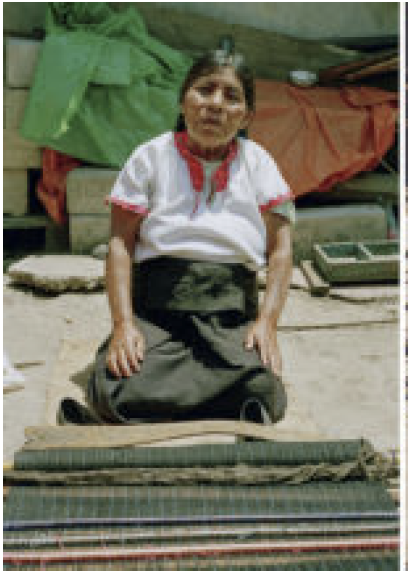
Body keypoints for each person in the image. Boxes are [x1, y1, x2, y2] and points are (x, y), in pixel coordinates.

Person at [60, 44, 294, 425]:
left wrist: (267, 322)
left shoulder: (259, 163)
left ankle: (177, 400)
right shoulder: (150, 157)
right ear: (183, 99)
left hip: (229, 315)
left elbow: (281, 251)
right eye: (204, 90)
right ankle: (210, 403)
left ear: (247, 115)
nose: (215, 104)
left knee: (264, 389)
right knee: (111, 387)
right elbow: (120, 245)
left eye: (231, 96)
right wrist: (124, 325)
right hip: (159, 313)